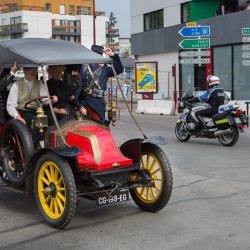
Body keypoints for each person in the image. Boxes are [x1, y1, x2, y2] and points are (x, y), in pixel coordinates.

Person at [76, 45, 124, 121]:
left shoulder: (105, 69)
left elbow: (119, 69)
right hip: (83, 103)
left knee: (98, 127)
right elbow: (79, 86)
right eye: (95, 54)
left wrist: (112, 55)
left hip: (97, 104)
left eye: (99, 54)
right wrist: (78, 104)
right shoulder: (84, 66)